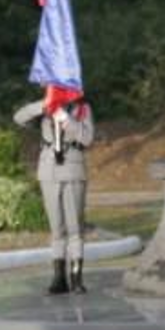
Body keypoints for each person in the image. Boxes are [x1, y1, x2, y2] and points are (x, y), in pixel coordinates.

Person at [14, 96, 95, 294]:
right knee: (56, 228)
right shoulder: (44, 106)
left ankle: (76, 277)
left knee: (75, 227)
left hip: (73, 168)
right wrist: (43, 106)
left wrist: (66, 118)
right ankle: (59, 278)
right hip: (49, 170)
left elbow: (87, 138)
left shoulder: (82, 109)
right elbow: (19, 117)